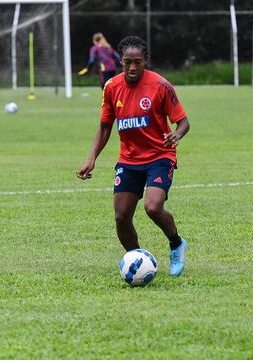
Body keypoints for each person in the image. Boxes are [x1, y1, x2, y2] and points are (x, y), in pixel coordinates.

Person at [76, 35, 190, 277]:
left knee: (153, 207)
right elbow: (105, 126)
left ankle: (176, 243)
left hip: (160, 155)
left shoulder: (160, 86)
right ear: (121, 61)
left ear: (145, 60)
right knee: (121, 216)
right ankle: (138, 262)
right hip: (129, 160)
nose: (132, 67)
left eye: (137, 62)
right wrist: (91, 158)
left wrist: (177, 135)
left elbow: (183, 122)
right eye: (127, 62)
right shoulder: (111, 87)